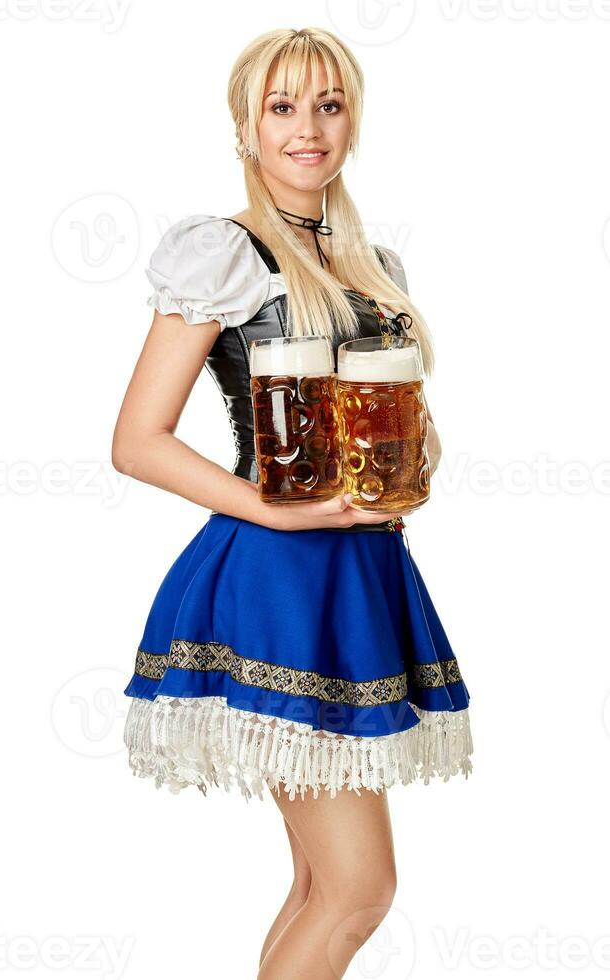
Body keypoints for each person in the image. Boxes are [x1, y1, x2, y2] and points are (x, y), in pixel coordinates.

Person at [112, 26, 473, 980]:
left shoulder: (376, 265)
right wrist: (272, 509)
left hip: (363, 576)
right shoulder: (221, 252)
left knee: (322, 887)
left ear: (353, 118)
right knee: (359, 892)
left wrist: (408, 460)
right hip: (277, 582)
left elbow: (402, 439)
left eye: (328, 104)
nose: (307, 128)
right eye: (282, 107)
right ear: (244, 126)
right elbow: (136, 441)